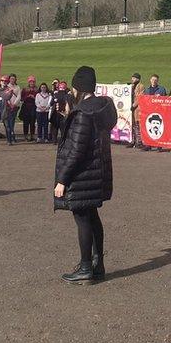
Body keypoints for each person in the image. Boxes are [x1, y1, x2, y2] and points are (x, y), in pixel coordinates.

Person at [54, 65, 117, 283]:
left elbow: (76, 149)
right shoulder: (99, 109)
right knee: (92, 217)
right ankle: (97, 263)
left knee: (82, 218)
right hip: (97, 172)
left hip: (83, 174)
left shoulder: (83, 113)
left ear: (79, 88)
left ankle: (85, 267)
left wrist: (62, 179)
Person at [19, 76, 38, 142]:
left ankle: (32, 135)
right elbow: (21, 98)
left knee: (32, 122)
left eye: (33, 82)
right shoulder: (24, 89)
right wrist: (27, 97)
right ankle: (25, 135)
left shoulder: (37, 90)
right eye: (30, 82)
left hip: (33, 106)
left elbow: (39, 99)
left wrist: (34, 97)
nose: (32, 83)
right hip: (26, 107)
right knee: (26, 122)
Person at [128, 73, 144, 149]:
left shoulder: (140, 86)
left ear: (138, 79)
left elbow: (140, 97)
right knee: (132, 125)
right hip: (131, 109)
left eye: (134, 78)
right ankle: (133, 141)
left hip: (137, 108)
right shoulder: (131, 86)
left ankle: (139, 142)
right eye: (132, 78)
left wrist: (133, 105)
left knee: (138, 125)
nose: (132, 79)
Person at [51, 80, 69, 144]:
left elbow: (51, 103)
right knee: (62, 128)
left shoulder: (55, 94)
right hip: (63, 114)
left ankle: (54, 140)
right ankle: (63, 141)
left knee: (55, 127)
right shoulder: (67, 96)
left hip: (55, 113)